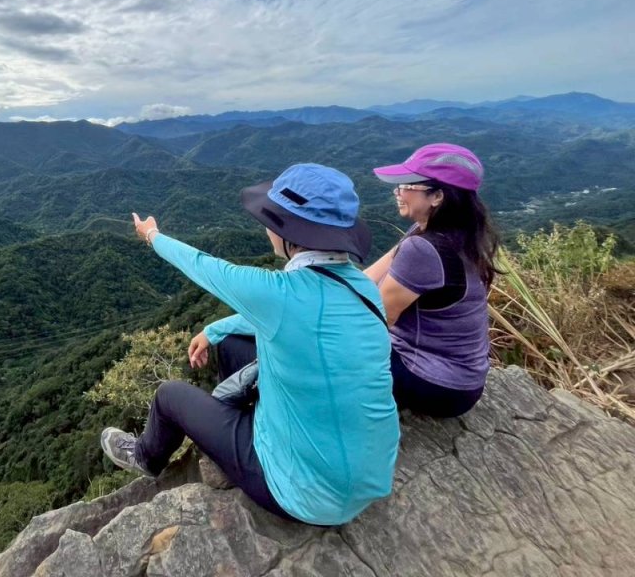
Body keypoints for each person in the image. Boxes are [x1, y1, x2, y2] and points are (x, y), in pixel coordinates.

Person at [100, 163, 400, 526]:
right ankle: (241, 427)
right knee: (230, 343)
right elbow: (286, 319)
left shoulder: (279, 294)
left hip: (305, 494)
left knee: (169, 397)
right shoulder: (362, 287)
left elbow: (203, 266)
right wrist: (214, 330)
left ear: (289, 232)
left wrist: (151, 235)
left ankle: (147, 457)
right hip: (369, 477)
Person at [366, 143, 500, 418]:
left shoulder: (425, 250)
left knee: (324, 354)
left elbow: (374, 321)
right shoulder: (449, 233)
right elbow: (369, 278)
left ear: (437, 196)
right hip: (461, 383)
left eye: (406, 186)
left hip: (435, 383)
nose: (397, 192)